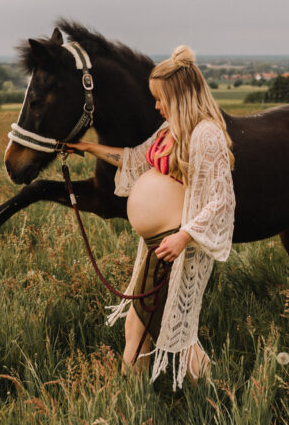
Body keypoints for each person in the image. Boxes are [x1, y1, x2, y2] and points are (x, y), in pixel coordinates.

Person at [66, 45, 236, 390]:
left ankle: (201, 399)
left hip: (175, 244)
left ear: (181, 97)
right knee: (159, 328)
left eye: (161, 98)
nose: (156, 105)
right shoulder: (168, 131)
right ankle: (209, 399)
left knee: (157, 329)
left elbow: (220, 199)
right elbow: (134, 159)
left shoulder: (205, 135)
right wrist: (89, 149)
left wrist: (184, 236)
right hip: (159, 243)